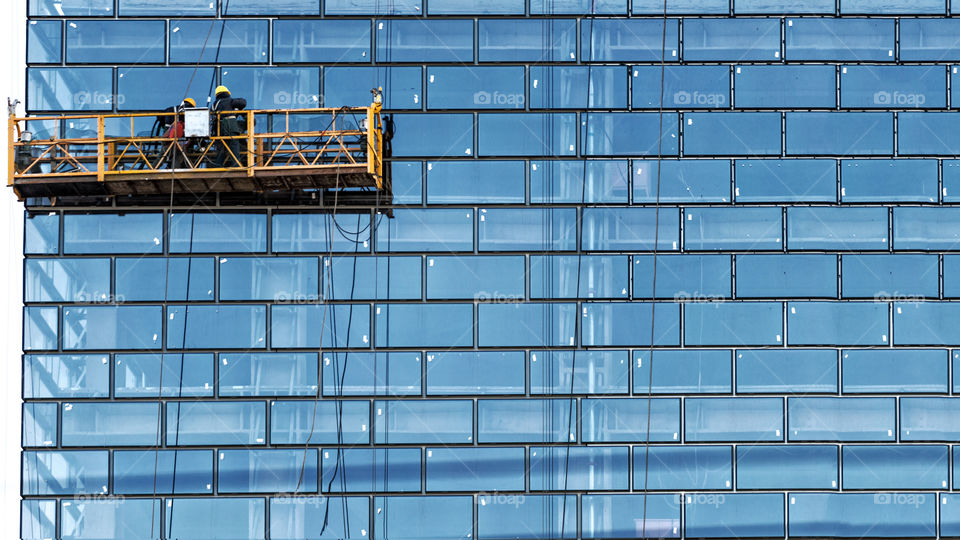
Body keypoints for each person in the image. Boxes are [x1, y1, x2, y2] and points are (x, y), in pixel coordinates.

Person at [211, 86, 247, 167]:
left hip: (219, 128)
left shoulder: (214, 105)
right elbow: (243, 103)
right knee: (234, 146)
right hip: (231, 126)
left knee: (221, 148)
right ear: (227, 93)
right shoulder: (230, 101)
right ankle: (235, 164)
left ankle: (218, 165)